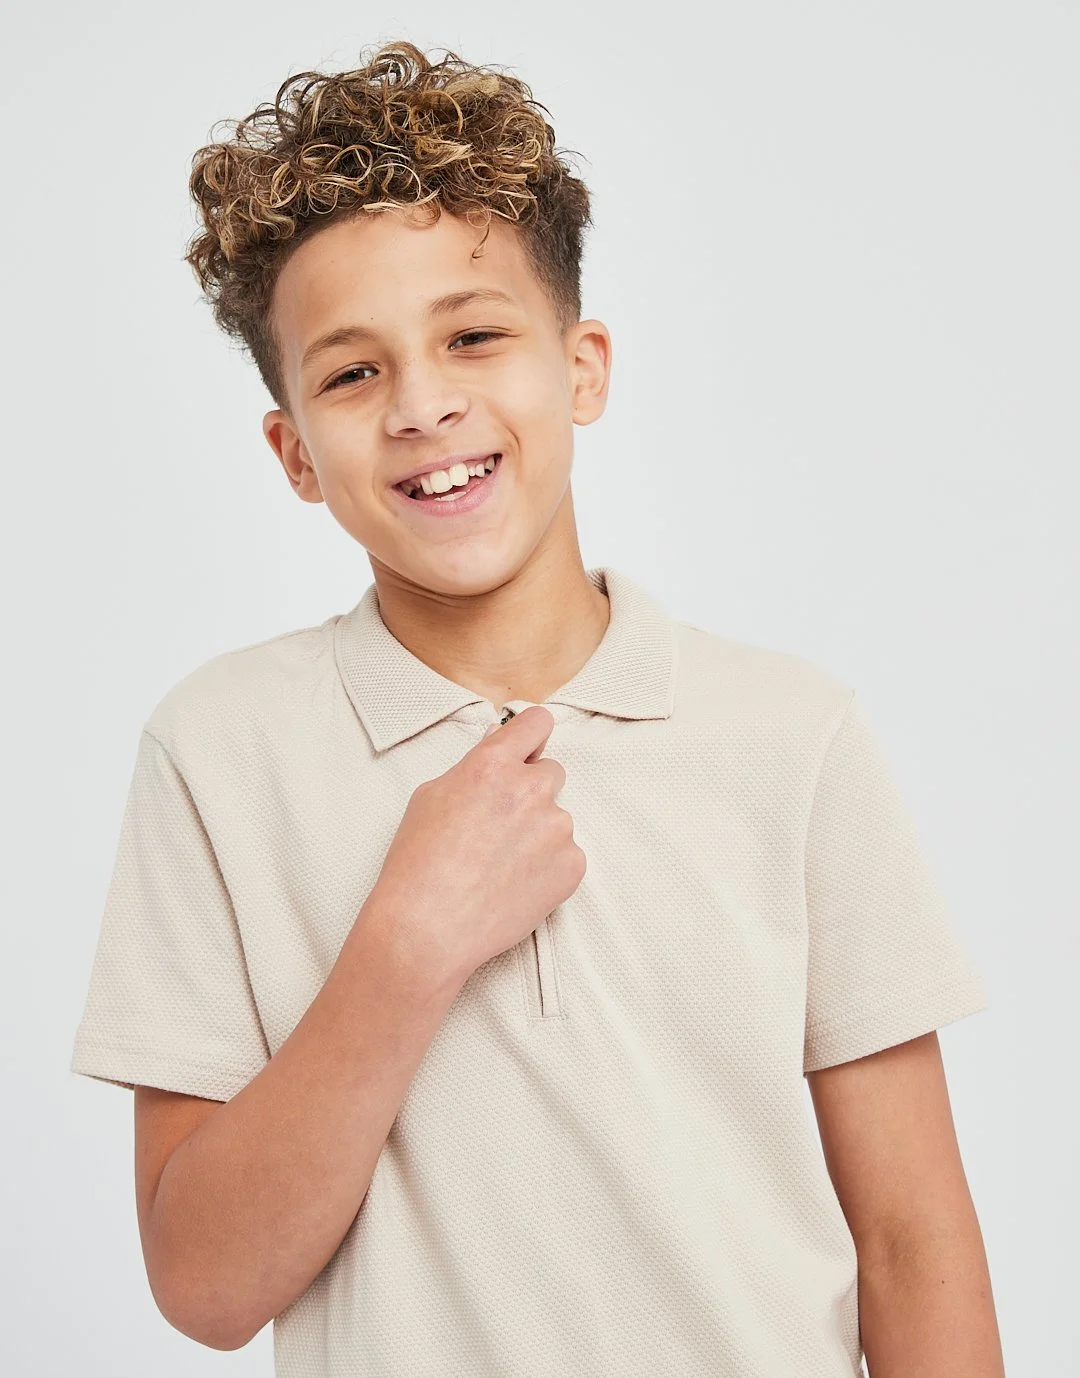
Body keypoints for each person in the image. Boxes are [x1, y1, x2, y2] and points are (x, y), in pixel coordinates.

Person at [70, 39, 1005, 1378]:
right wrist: (405, 943)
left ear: (582, 368)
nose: (425, 405)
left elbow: (917, 1240)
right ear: (292, 452)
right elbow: (207, 1286)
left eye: (474, 335)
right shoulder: (217, 753)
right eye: (350, 372)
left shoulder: (791, 736)